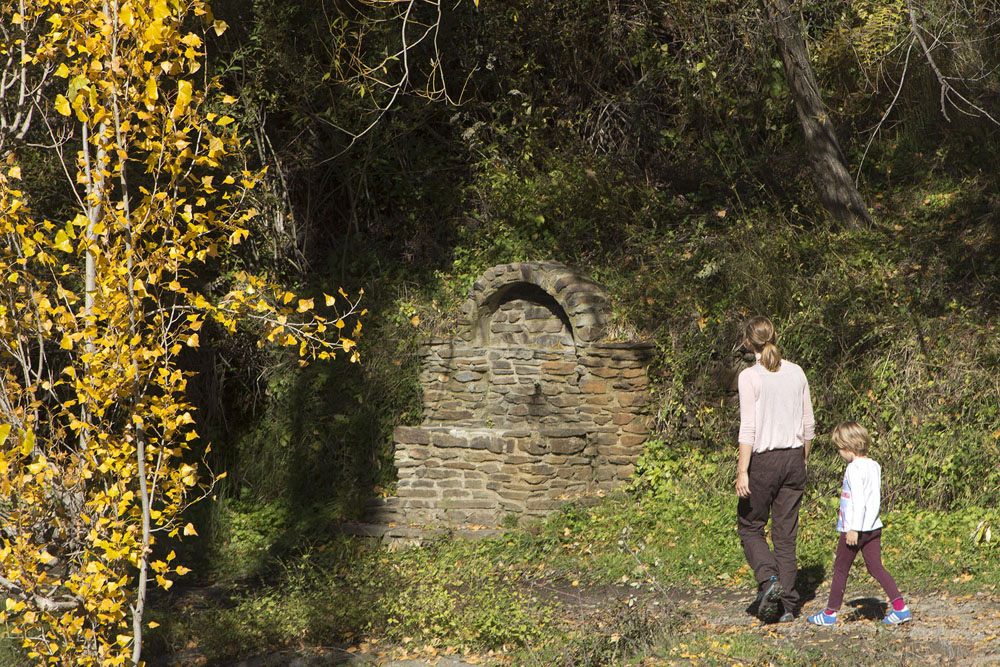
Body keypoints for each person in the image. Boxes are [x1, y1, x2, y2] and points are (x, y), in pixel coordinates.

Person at [736, 315, 814, 624]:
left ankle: (769, 581)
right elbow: (809, 423)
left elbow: (748, 429)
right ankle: (789, 607)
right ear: (775, 335)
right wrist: (803, 458)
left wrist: (743, 471)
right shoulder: (796, 372)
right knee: (786, 535)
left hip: (763, 462)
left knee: (750, 525)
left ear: (747, 342)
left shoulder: (749, 377)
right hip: (794, 457)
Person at [807, 421, 911, 626]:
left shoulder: (854, 469)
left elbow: (859, 501)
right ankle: (900, 608)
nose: (839, 453)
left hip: (855, 529)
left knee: (840, 568)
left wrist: (853, 528)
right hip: (874, 526)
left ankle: (829, 614)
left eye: (839, 449)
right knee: (876, 568)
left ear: (848, 447)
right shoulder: (874, 465)